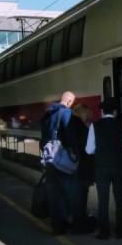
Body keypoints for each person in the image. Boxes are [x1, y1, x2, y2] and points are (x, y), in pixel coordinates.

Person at [87, 96, 122, 239]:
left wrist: (102, 152)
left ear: (103, 112)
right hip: (118, 167)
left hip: (101, 168)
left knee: (103, 199)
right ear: (115, 112)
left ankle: (104, 232)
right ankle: (120, 230)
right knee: (120, 199)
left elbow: (89, 150)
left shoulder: (94, 126)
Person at [40, 91, 79, 236]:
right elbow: (70, 136)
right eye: (72, 102)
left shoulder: (48, 113)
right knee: (70, 193)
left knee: (53, 195)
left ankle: (57, 226)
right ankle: (73, 223)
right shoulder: (66, 113)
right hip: (62, 160)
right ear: (69, 102)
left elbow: (43, 137)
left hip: (49, 159)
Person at [70, 101, 96, 233]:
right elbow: (85, 149)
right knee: (81, 196)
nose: (90, 117)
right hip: (81, 167)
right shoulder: (81, 128)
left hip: (75, 166)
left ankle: (78, 223)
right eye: (89, 114)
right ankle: (79, 226)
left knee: (79, 195)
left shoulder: (72, 126)